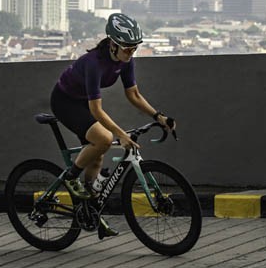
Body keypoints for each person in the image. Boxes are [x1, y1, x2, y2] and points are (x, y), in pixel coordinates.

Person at [50, 13, 175, 238]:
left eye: (134, 49)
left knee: (97, 156)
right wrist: (121, 135)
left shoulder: (125, 61)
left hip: (83, 104)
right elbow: (96, 110)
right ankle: (70, 177)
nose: (131, 53)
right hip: (65, 102)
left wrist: (159, 117)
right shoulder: (94, 64)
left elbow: (134, 94)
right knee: (105, 139)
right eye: (127, 49)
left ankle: (90, 212)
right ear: (113, 44)